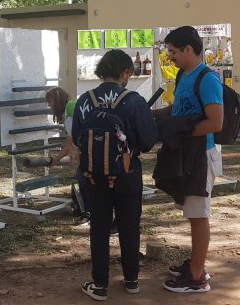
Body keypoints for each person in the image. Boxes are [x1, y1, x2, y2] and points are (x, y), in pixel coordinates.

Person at [71, 49, 157, 301]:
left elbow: (77, 137)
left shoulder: (84, 100)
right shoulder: (134, 100)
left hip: (93, 175)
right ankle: (131, 280)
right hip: (127, 173)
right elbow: (149, 140)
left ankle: (100, 285)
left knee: (99, 226)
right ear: (126, 72)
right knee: (129, 225)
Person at [153, 26, 223, 293]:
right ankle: (195, 264)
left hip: (200, 157)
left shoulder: (208, 79)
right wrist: (152, 115)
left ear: (189, 49)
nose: (170, 57)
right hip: (185, 155)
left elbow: (216, 122)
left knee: (197, 215)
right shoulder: (184, 75)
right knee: (192, 213)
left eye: (173, 52)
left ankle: (196, 277)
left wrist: (181, 129)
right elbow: (177, 108)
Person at [45, 87, 90, 225]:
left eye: (50, 101)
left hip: (88, 151)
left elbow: (70, 143)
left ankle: (88, 213)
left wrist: (56, 160)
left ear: (56, 101)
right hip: (92, 147)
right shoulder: (73, 105)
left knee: (84, 180)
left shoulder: (70, 111)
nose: (49, 105)